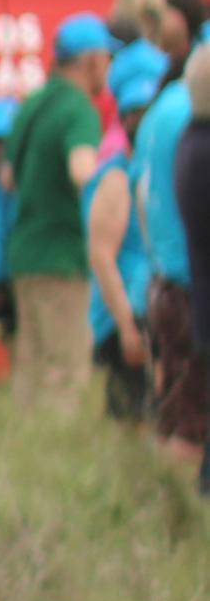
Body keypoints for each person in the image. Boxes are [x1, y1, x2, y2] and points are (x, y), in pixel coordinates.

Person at [5, 15, 113, 410]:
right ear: (90, 62)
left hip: (26, 252)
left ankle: (29, 449)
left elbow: (6, 177)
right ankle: (59, 449)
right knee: (67, 369)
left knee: (32, 367)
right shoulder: (78, 110)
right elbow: (82, 170)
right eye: (107, 58)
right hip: (62, 257)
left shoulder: (32, 105)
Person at [88, 38, 169, 419]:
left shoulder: (154, 167)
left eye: (146, 110)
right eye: (132, 112)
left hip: (154, 308)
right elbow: (102, 256)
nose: (139, 119)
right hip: (129, 314)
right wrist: (125, 325)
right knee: (135, 417)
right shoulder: (117, 177)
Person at [142, 46, 202, 463]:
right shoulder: (191, 129)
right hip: (188, 283)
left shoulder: (165, 113)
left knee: (184, 405)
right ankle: (175, 517)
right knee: (191, 418)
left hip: (172, 277)